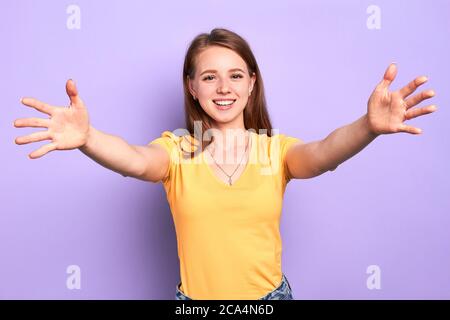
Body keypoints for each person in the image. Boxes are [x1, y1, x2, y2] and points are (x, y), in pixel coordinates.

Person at [13, 28, 437, 300]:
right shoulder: (178, 150)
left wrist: (367, 125)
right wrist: (88, 138)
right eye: (209, 76)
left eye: (236, 75)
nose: (223, 87)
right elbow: (136, 161)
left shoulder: (275, 150)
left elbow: (323, 153)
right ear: (192, 87)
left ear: (252, 85)